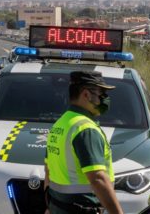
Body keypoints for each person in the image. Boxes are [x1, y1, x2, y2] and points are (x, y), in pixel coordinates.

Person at [44, 71, 123, 214]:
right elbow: (98, 179)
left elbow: (48, 171)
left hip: (58, 207)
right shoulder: (85, 129)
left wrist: (49, 206)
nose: (105, 99)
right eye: (101, 94)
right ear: (86, 94)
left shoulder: (59, 125)